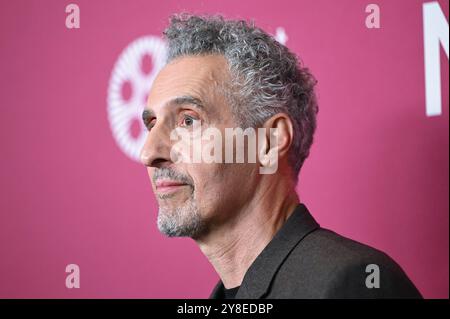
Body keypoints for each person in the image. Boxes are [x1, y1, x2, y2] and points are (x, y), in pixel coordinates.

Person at [139, 13, 422, 299]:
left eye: (188, 120)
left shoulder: (351, 285)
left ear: (270, 141)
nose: (149, 153)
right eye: (151, 124)